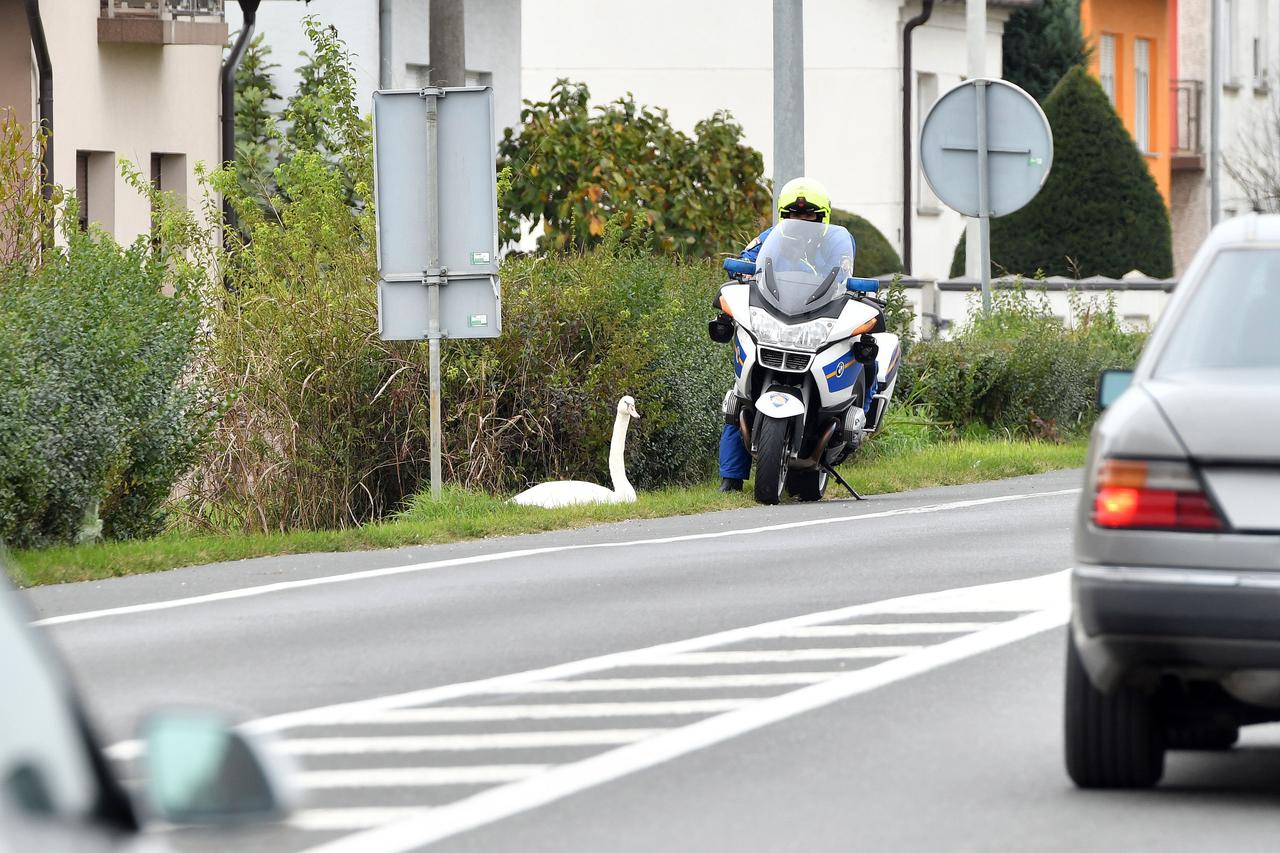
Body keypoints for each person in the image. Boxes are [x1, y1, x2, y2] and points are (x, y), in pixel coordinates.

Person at [717, 176, 843, 492]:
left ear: (822, 216)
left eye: (808, 214)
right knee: (741, 394)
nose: (800, 220)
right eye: (793, 214)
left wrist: (857, 289)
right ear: (782, 215)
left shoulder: (833, 245)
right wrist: (737, 273)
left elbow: (845, 275)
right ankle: (730, 479)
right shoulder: (767, 240)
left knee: (861, 351)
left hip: (815, 324)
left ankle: (859, 417)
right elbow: (745, 263)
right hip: (772, 322)